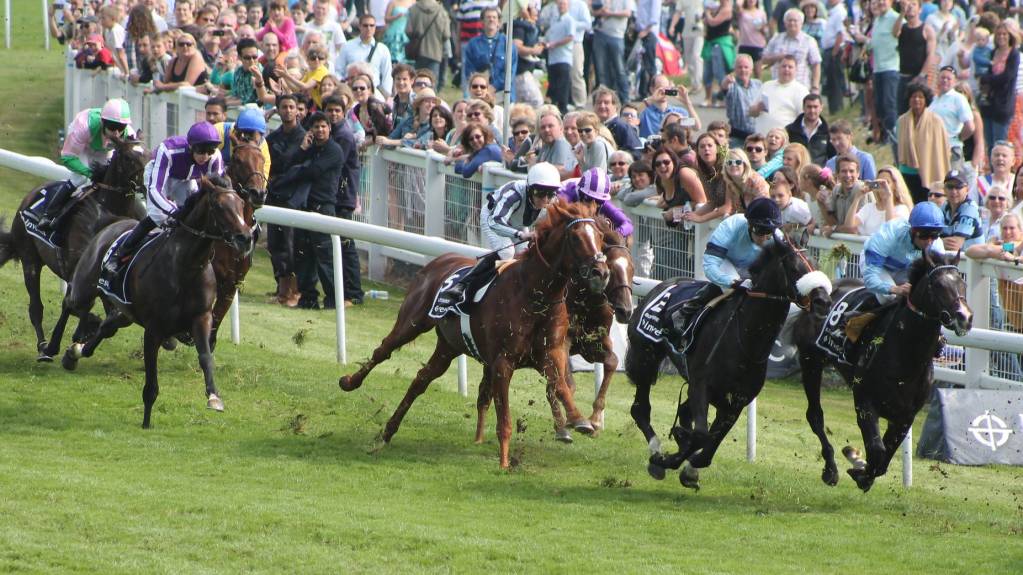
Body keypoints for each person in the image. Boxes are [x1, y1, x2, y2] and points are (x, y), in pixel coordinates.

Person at [104, 122, 225, 273]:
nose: (205, 156)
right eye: (201, 151)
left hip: (185, 180)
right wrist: (173, 211)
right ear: (191, 146)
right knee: (158, 216)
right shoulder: (168, 150)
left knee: (193, 216)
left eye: (210, 151)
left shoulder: (215, 158)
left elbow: (216, 190)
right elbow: (155, 190)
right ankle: (119, 254)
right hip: (160, 176)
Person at [439, 162, 562, 302]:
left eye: (550, 194)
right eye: (539, 193)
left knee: (523, 254)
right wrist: (520, 234)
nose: (545, 199)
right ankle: (463, 284)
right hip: (492, 218)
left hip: (517, 223)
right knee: (506, 253)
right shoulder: (514, 194)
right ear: (529, 188)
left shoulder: (553, 200)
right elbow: (495, 221)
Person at [669, 197, 786, 329]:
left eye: (769, 233)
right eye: (760, 232)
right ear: (749, 224)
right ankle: (687, 311)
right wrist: (734, 282)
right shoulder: (732, 225)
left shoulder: (779, 238)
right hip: (725, 261)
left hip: (752, 269)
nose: (764, 239)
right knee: (734, 289)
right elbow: (710, 266)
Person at [270, 111, 346, 309]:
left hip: (324, 208)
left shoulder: (334, 150)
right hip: (305, 207)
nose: (320, 130)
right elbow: (289, 164)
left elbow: (314, 171)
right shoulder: (311, 149)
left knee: (325, 257)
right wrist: (303, 150)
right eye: (316, 127)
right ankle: (308, 298)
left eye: (323, 126)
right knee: (303, 256)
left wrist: (297, 171)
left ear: (329, 128)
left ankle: (333, 299)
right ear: (310, 130)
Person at [39, 99, 135, 232]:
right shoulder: (84, 127)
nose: (117, 134)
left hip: (102, 149)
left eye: (121, 128)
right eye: (112, 128)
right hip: (82, 147)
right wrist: (89, 172)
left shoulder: (129, 134)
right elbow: (67, 157)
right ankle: (48, 215)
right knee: (80, 179)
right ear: (103, 122)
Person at [266, 94, 306, 307]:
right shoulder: (272, 139)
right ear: (278, 110)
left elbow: (296, 167)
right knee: (275, 244)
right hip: (274, 195)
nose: (288, 110)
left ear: (297, 110)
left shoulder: (304, 137)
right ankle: (281, 288)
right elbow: (271, 164)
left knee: (292, 245)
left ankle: (293, 291)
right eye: (284, 107)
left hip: (294, 198)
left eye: (292, 106)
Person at [861, 201, 947, 300]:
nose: (929, 241)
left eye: (934, 235)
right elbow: (870, 279)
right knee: (889, 297)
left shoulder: (936, 245)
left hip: (903, 269)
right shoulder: (889, 235)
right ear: (912, 231)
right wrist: (894, 289)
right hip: (878, 265)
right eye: (924, 235)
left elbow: (941, 277)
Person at [897, 82, 950, 204]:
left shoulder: (936, 121)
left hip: (929, 171)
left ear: (926, 100)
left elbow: (942, 148)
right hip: (907, 171)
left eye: (920, 97)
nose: (916, 99)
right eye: (913, 96)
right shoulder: (902, 121)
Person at [558, 168, 634, 237]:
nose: (593, 205)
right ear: (580, 193)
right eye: (589, 199)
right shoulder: (566, 195)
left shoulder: (604, 202)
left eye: (598, 201)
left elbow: (628, 224)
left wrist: (614, 235)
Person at [838, 166, 912, 235]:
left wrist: (889, 197)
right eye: (879, 183)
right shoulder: (869, 208)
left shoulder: (902, 209)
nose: (883, 187)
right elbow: (849, 225)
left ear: (895, 185)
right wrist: (857, 198)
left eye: (887, 182)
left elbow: (890, 227)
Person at [462, 7, 517, 100]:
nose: (491, 19)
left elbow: (510, 71)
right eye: (488, 17)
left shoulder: (508, 44)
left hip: (504, 96)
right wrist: (483, 87)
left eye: (494, 17)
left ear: (499, 22)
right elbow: (469, 71)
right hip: (480, 95)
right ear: (482, 21)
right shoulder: (473, 44)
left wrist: (493, 87)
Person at [761, 8, 821, 92]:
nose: (792, 23)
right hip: (778, 87)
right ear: (785, 23)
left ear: (801, 23)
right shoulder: (776, 39)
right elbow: (764, 60)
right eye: (789, 20)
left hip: (801, 87)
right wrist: (777, 57)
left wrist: (815, 87)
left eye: (795, 20)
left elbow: (816, 65)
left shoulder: (809, 41)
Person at [930, 66, 975, 171]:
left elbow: (970, 126)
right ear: (937, 79)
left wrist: (958, 138)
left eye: (949, 78)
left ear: (954, 81)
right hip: (933, 148)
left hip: (951, 148)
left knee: (952, 181)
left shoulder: (958, 99)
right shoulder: (934, 100)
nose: (945, 80)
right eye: (942, 77)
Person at [337, 14, 393, 97]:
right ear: (360, 26)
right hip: (351, 91)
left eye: (372, 25)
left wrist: (385, 95)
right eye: (365, 25)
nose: (368, 28)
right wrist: (343, 87)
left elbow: (387, 75)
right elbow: (338, 70)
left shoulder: (382, 49)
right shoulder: (347, 46)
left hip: (374, 92)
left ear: (375, 27)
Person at [751, 55, 809, 135]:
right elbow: (751, 112)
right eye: (784, 66)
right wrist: (757, 108)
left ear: (796, 70)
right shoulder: (766, 85)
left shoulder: (801, 91)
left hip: (784, 140)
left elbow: (804, 119)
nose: (786, 69)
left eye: (790, 67)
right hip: (761, 139)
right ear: (778, 68)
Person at [591, 0, 634, 106]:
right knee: (601, 70)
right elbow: (592, 11)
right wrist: (601, 11)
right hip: (600, 33)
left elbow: (628, 13)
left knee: (619, 69)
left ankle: (625, 99)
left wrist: (610, 13)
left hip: (617, 36)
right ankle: (603, 100)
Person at [213, 108, 271, 181]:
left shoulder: (262, 148)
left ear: (261, 135)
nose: (247, 140)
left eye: (251, 136)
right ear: (235, 130)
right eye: (243, 134)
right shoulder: (219, 131)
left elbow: (261, 182)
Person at [722, 53, 762, 146]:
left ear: (751, 70)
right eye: (739, 67)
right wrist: (726, 82)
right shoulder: (732, 84)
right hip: (737, 135)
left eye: (746, 67)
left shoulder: (758, 85)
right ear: (735, 69)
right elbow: (725, 88)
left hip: (755, 134)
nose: (743, 70)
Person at [404, 0, 450, 80]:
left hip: (417, 51)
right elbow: (446, 35)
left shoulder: (413, 9)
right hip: (435, 52)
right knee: (432, 81)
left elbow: (408, 31)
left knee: (417, 80)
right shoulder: (441, 11)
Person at [940, 169, 983, 251]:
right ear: (944, 189)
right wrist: (940, 241)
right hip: (954, 260)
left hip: (972, 261)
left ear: (967, 189)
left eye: (958, 187)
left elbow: (955, 245)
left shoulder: (970, 208)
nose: (953, 191)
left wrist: (937, 242)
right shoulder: (944, 206)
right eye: (950, 187)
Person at [544, 0, 575, 114]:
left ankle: (563, 109)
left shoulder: (569, 20)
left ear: (568, 6)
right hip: (553, 59)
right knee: (553, 85)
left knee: (563, 86)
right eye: (560, 4)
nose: (561, 6)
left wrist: (554, 44)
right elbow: (549, 36)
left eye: (564, 4)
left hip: (564, 58)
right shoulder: (554, 20)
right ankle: (553, 110)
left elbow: (570, 37)